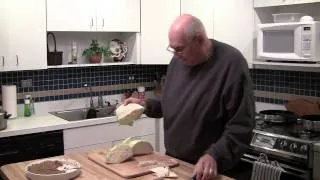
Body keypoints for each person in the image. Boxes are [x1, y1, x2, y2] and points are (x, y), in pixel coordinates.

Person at [124, 14, 255, 180]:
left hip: (210, 170)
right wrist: (145, 106)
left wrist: (214, 156)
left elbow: (241, 125)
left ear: (199, 39)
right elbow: (171, 102)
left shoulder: (232, 64)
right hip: (174, 163)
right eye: (172, 48)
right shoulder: (178, 61)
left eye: (179, 48)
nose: (175, 54)